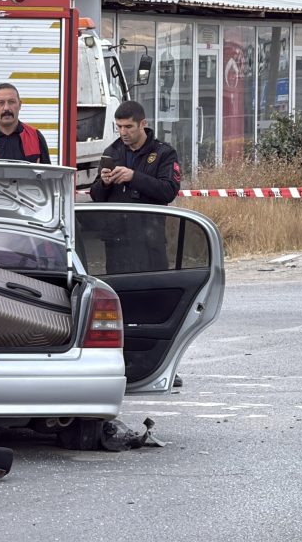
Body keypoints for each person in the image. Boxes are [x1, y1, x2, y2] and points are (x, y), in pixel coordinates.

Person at [89, 100, 183, 387]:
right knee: (121, 306)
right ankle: (123, 364)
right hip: (117, 241)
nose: (124, 132)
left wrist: (134, 176)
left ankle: (161, 367)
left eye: (128, 127)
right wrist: (104, 182)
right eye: (119, 127)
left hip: (149, 240)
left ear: (143, 124)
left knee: (154, 305)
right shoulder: (112, 152)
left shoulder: (163, 153)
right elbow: (95, 196)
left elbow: (168, 190)